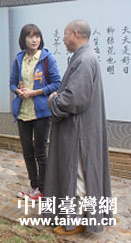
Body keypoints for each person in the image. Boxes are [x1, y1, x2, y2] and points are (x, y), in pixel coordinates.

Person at [44, 20, 112, 235]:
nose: (63, 39)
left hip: (79, 131)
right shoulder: (85, 56)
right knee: (81, 173)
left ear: (75, 33)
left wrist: (54, 100)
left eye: (65, 34)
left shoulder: (84, 59)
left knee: (78, 174)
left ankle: (77, 220)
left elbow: (75, 99)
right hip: (82, 126)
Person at [9, 24, 61, 200]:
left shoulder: (47, 59)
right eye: (30, 36)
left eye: (37, 36)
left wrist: (34, 93)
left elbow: (56, 84)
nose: (34, 40)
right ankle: (35, 187)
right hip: (23, 111)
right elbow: (12, 83)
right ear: (23, 39)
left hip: (41, 112)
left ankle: (45, 189)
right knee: (27, 151)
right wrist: (18, 91)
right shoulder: (19, 59)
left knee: (40, 151)